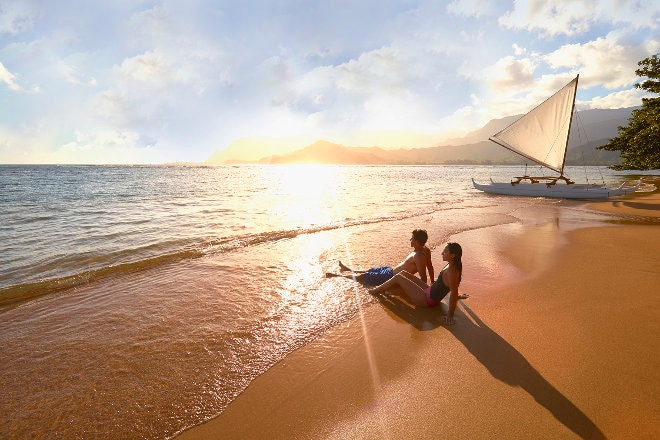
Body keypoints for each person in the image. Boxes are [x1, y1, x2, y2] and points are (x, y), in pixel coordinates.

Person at [368, 242, 465, 325]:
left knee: (398, 278)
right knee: (402, 274)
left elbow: (453, 291)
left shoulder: (452, 271)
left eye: (445, 252)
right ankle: (385, 289)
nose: (442, 253)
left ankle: (375, 290)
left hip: (427, 300)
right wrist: (456, 295)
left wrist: (450, 315)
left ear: (453, 255)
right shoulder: (453, 264)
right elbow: (453, 286)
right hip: (429, 291)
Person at [327, 229, 434, 285]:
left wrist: (423, 289)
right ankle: (349, 270)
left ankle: (337, 276)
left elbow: (423, 279)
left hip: (389, 278)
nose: (410, 240)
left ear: (416, 241)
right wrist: (433, 281)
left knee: (363, 277)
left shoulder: (419, 256)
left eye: (412, 238)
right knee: (370, 270)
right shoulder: (425, 250)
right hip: (390, 270)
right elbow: (430, 266)